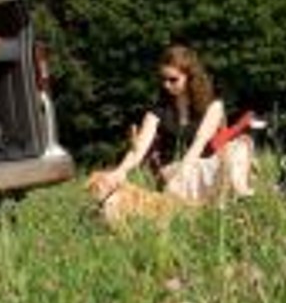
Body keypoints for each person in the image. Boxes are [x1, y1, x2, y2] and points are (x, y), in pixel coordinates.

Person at [105, 44, 253, 204]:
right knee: (202, 172)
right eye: (163, 79)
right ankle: (223, 196)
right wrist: (121, 170)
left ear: (190, 77)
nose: (166, 85)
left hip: (199, 167)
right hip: (173, 172)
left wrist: (186, 170)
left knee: (239, 146)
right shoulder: (157, 111)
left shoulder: (213, 106)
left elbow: (199, 143)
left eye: (173, 80)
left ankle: (239, 192)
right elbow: (139, 149)